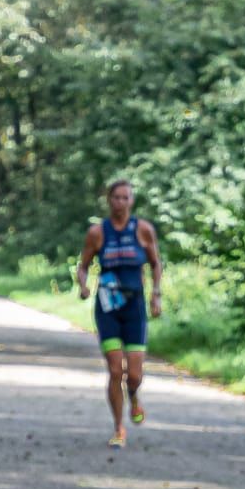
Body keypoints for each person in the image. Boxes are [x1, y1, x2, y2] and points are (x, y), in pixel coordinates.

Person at [75, 181, 163, 448]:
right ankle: (119, 428)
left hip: (134, 307)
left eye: (125, 198)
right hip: (108, 307)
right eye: (116, 197)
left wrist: (156, 293)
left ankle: (134, 396)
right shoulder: (97, 233)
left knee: (133, 375)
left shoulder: (143, 230)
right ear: (108, 200)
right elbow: (84, 265)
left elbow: (156, 263)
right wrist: (83, 285)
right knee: (115, 371)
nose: (120, 202)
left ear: (132, 201)